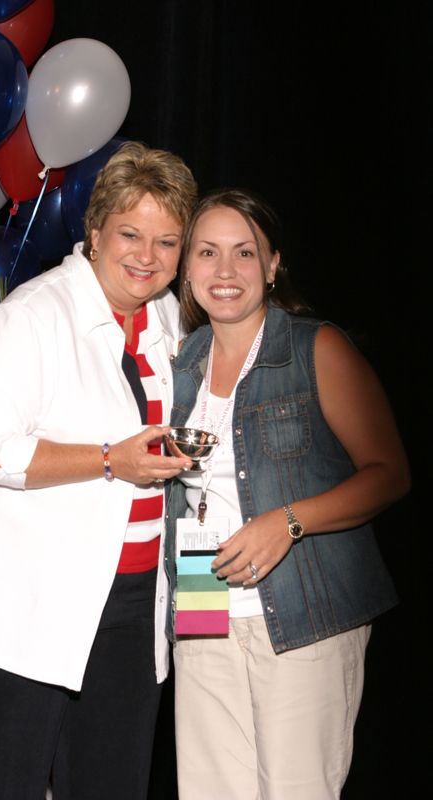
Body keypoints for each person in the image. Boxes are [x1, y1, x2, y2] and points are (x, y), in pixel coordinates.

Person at [0, 141, 196, 800]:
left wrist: (202, 624)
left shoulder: (169, 322)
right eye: (130, 233)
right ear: (94, 231)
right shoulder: (32, 316)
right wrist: (109, 461)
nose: (146, 256)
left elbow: (195, 488)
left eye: (166, 242)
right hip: (16, 612)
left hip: (129, 614)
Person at [165, 188, 410, 800]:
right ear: (187, 267)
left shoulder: (314, 348)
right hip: (202, 607)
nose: (225, 271)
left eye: (244, 253)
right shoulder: (178, 364)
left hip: (303, 615)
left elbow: (388, 471)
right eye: (208, 252)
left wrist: (289, 521)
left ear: (273, 266)